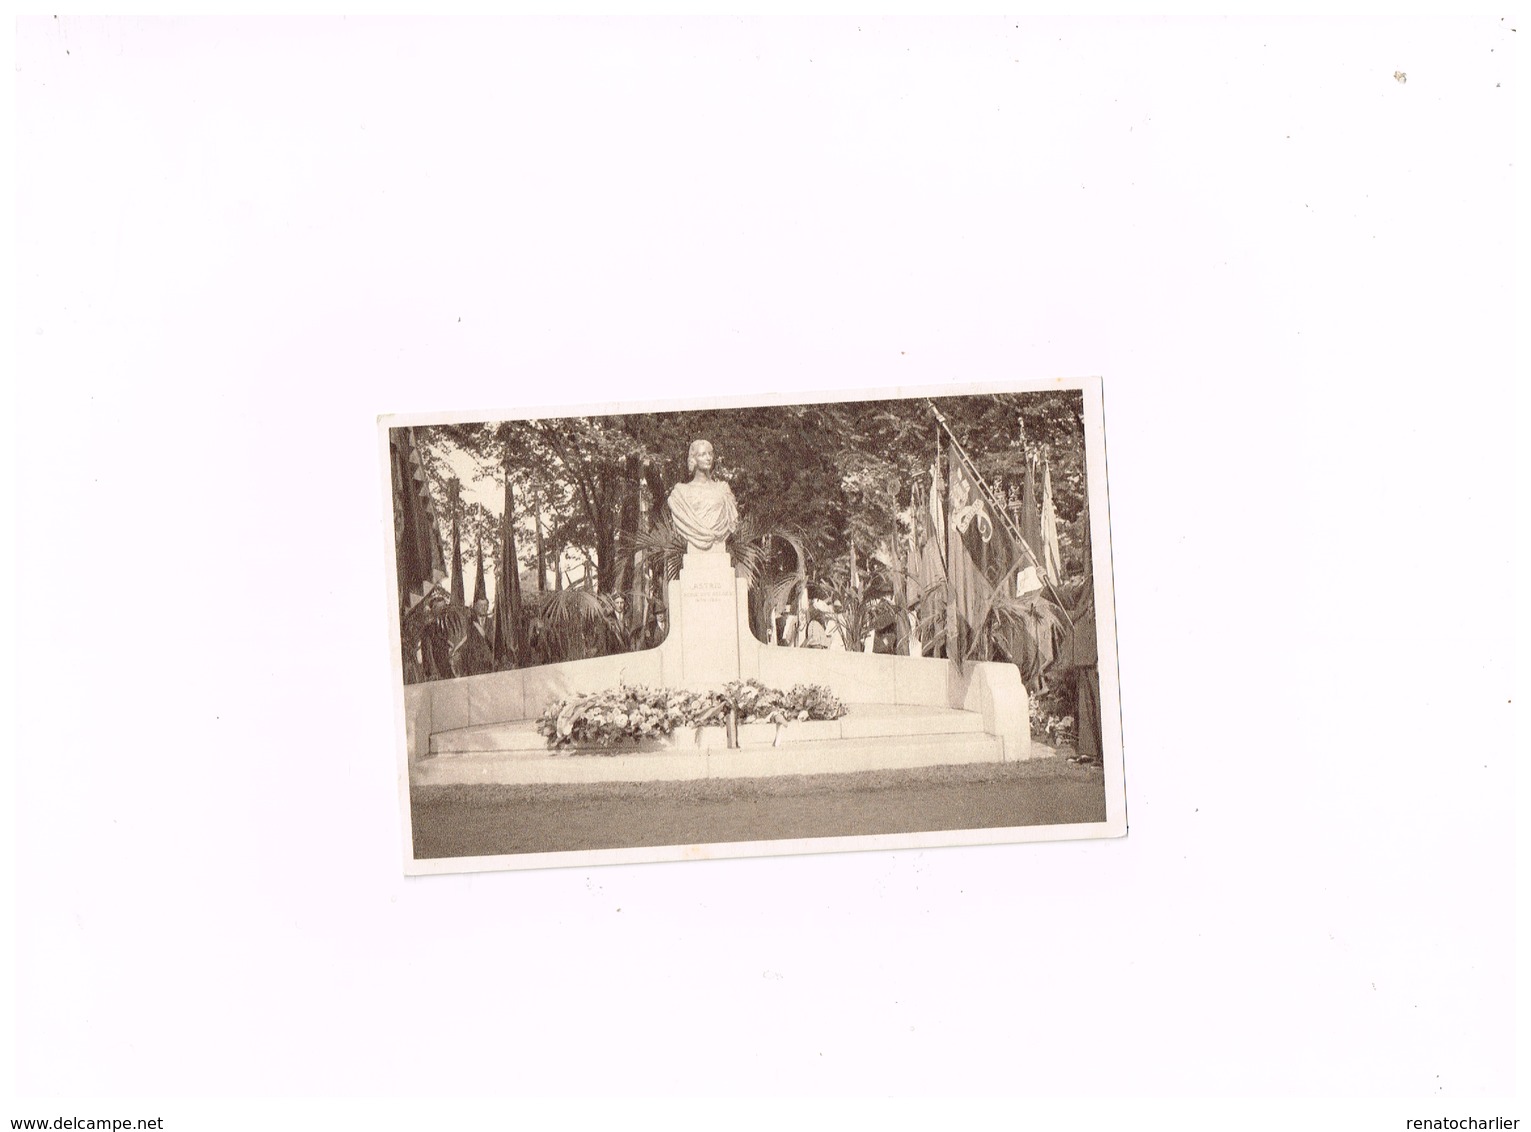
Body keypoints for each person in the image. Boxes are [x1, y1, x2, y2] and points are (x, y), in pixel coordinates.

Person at [666, 439, 739, 552]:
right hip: (695, 552)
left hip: (718, 550)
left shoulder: (723, 489)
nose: (708, 458)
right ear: (693, 459)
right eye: (702, 454)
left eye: (710, 453)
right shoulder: (681, 493)